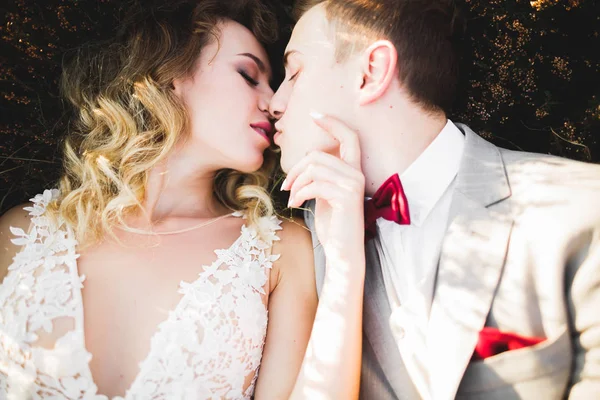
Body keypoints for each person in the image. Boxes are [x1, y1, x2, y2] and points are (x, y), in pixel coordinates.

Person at [0, 1, 364, 398]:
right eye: (248, 75)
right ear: (171, 74)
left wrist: (346, 263)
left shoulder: (279, 251)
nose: (273, 102)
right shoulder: (22, 233)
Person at [270, 0, 600, 399]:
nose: (275, 103)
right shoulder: (302, 242)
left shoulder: (579, 208)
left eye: (294, 72)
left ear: (370, 73)